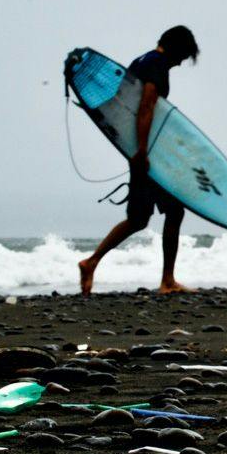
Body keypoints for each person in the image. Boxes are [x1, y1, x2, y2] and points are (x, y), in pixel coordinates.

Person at [78, 25, 199, 296]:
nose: (180, 62)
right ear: (175, 47)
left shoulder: (143, 61)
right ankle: (167, 280)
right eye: (183, 55)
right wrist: (143, 152)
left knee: (138, 218)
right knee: (174, 210)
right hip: (147, 154)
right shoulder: (156, 64)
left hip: (139, 149)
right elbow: (145, 107)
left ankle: (91, 262)